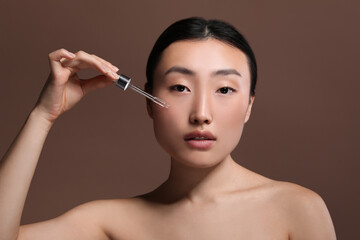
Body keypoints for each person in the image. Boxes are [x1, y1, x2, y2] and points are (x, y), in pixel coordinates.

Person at [0, 17, 336, 240]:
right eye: (179, 88)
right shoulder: (110, 222)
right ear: (148, 102)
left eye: (224, 90)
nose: (201, 114)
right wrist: (43, 115)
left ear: (249, 105)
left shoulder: (297, 208)